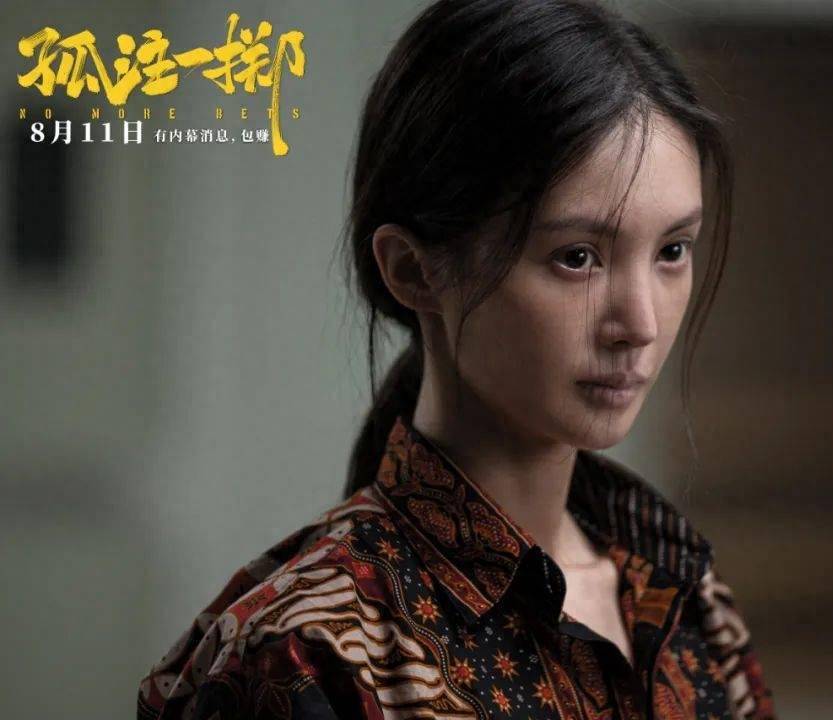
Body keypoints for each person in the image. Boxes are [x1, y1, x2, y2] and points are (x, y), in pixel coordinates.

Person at [137, 0, 777, 718]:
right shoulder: (306, 655)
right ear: (413, 270)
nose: (642, 324)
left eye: (672, 251)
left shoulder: (686, 603)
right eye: (577, 257)